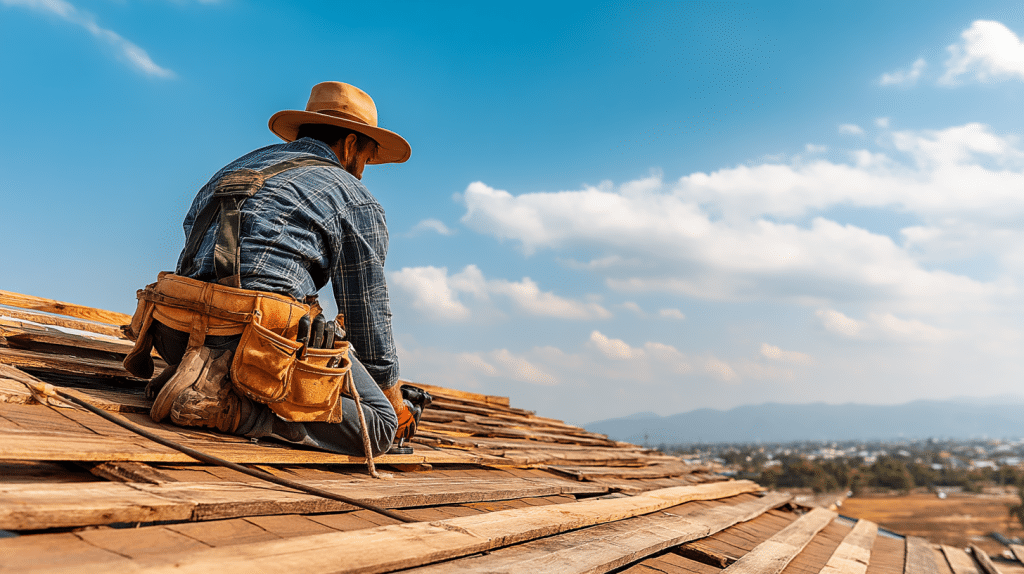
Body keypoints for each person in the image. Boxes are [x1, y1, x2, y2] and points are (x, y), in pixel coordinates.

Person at [121, 82, 429, 457]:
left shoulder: (235, 168)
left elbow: (196, 249)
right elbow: (368, 320)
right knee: (380, 425)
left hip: (174, 333)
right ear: (350, 145)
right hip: (252, 344)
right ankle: (233, 408)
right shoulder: (354, 196)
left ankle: (202, 372)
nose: (363, 171)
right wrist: (395, 403)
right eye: (366, 157)